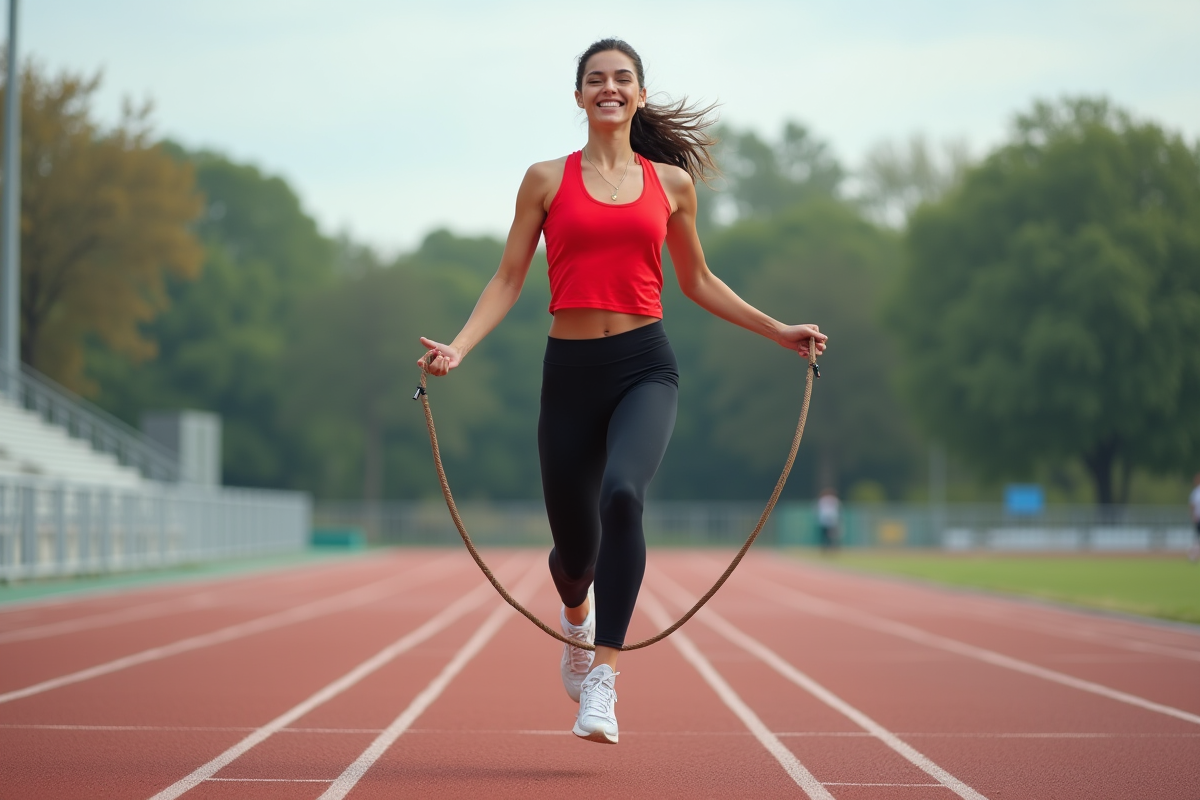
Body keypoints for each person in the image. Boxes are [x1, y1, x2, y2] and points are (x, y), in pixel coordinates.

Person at [416, 38, 827, 745]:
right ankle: (576, 623)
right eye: (596, 79)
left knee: (623, 497)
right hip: (568, 375)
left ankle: (603, 679)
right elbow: (509, 277)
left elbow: (697, 281)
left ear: (638, 94)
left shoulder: (670, 185)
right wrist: (459, 345)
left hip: (645, 367)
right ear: (578, 97)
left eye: (622, 79)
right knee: (575, 557)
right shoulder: (545, 180)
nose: (609, 88)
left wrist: (776, 329)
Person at [817, 487, 840, 552]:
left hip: (827, 520)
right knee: (828, 536)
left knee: (828, 536)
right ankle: (828, 548)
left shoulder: (823, 500)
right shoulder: (834, 500)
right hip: (829, 520)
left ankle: (829, 548)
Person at [1189, 473, 1200, 563]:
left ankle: (1193, 555)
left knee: (1196, 538)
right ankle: (1193, 556)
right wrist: (1193, 515)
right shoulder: (1196, 492)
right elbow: (1192, 505)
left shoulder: (1196, 492)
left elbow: (1192, 505)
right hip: (1198, 518)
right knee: (1196, 538)